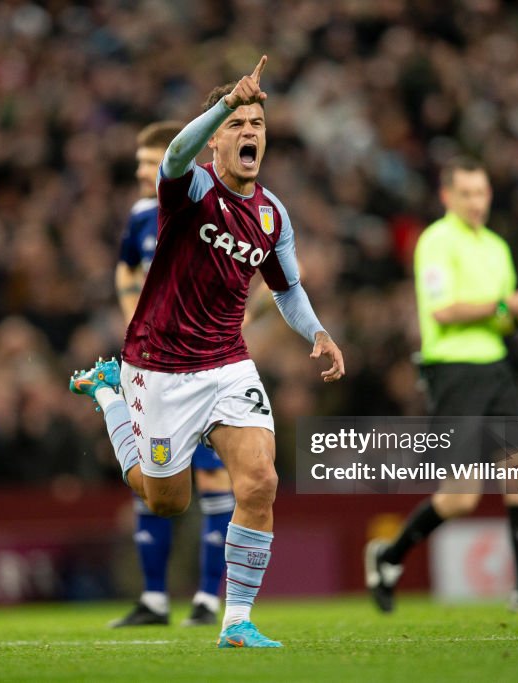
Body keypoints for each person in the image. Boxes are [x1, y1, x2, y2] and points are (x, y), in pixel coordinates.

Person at [71, 56, 345, 648]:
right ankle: (111, 396)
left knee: (260, 482)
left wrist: (317, 333)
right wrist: (221, 103)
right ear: (216, 138)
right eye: (238, 123)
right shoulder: (189, 188)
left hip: (226, 363)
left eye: (258, 125)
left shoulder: (272, 215)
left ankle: (237, 622)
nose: (251, 132)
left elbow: (288, 288)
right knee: (164, 500)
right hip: (159, 368)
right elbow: (172, 154)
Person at [366, 157, 518, 614]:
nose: (476, 202)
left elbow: (498, 320)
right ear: (447, 196)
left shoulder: (496, 246)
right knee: (461, 497)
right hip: (453, 371)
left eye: (482, 193)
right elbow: (443, 311)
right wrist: (504, 303)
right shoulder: (435, 242)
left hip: (495, 367)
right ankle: (389, 557)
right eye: (467, 194)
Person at [111, 121, 234, 628]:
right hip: (151, 366)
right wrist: (130, 318)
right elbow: (124, 271)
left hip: (203, 364)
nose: (141, 169)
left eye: (149, 160)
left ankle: (207, 600)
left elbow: (270, 275)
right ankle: (156, 600)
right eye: (139, 161)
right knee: (153, 474)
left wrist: (240, 319)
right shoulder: (141, 217)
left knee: (211, 475)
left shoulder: (201, 208)